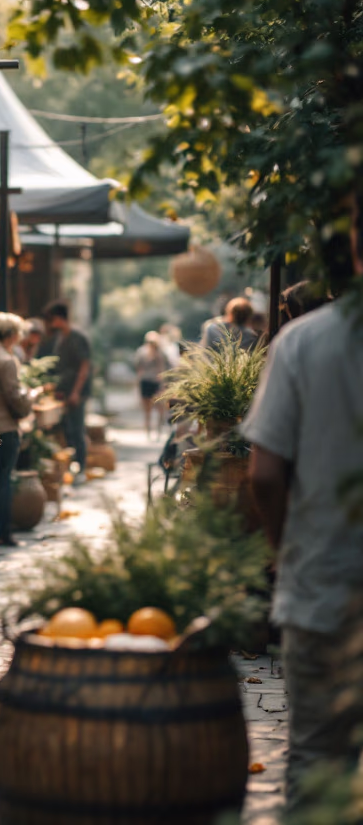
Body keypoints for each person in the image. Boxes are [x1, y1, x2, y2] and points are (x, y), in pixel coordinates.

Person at [241, 195, 363, 816]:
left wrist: (283, 549)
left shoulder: (303, 343)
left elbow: (264, 473)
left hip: (322, 584)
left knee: (317, 756)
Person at [0, 313, 38, 547]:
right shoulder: (5, 360)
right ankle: (2, 532)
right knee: (3, 481)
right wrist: (30, 397)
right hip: (3, 428)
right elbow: (16, 400)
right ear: (12, 335)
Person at [39, 300, 92, 476]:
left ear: (59, 318)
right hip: (64, 391)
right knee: (67, 430)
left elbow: (84, 366)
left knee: (77, 430)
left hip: (76, 393)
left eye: (52, 319)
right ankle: (71, 466)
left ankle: (82, 468)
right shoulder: (61, 338)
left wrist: (76, 392)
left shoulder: (77, 337)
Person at [134, 331, 172, 440]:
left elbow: (167, 367)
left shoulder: (161, 353)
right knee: (147, 410)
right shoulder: (142, 352)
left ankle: (158, 430)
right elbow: (138, 367)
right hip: (146, 382)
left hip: (157, 383)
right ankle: (148, 431)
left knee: (160, 408)